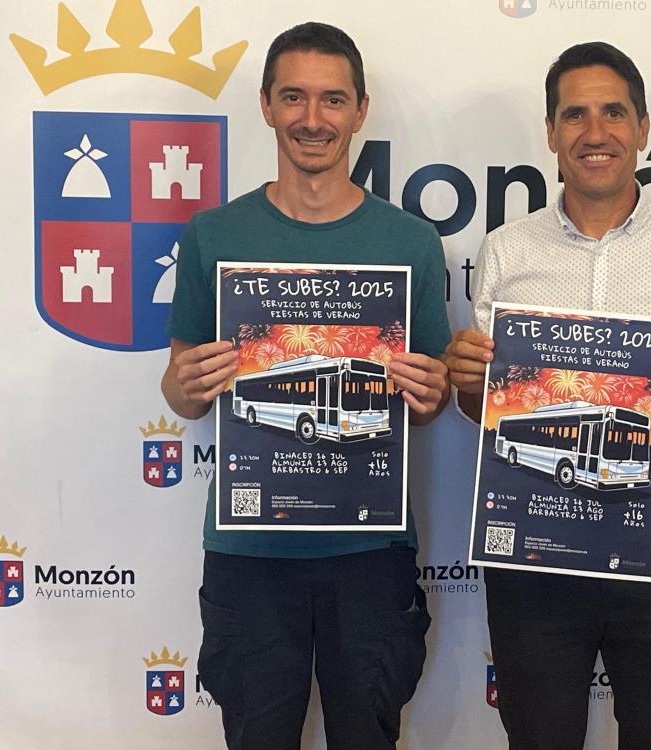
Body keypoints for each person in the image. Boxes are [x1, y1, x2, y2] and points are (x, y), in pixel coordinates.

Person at [445, 42, 651, 750]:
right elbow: (486, 410)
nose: (595, 133)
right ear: (551, 131)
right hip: (537, 546)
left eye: (614, 113)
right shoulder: (505, 251)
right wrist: (468, 385)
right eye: (575, 115)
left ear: (643, 127)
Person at [161, 22, 450, 750]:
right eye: (293, 97)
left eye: (332, 99)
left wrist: (430, 393)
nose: (312, 119)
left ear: (360, 110)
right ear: (266, 106)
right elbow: (179, 392)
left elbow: (426, 404)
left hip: (371, 551)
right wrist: (188, 385)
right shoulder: (212, 234)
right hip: (250, 554)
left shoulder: (410, 242)